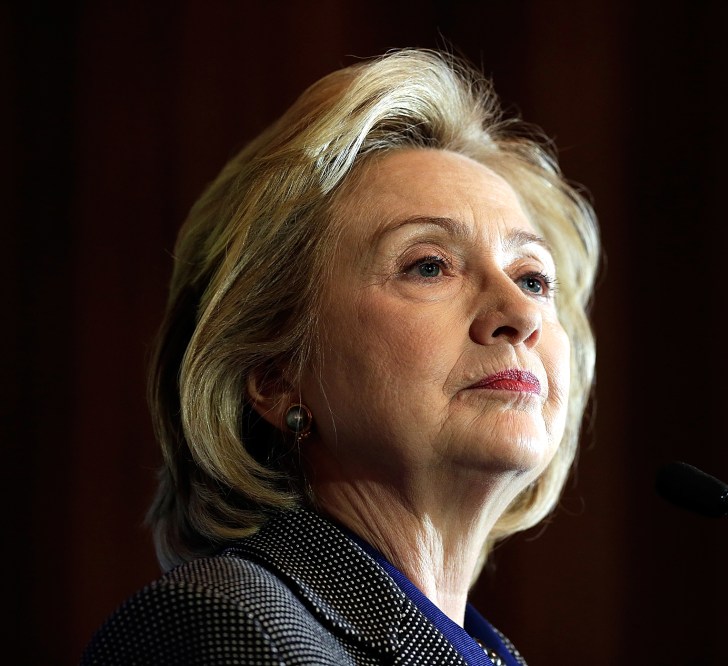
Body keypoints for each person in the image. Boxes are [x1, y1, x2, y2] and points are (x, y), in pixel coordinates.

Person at [81, 47, 600, 665]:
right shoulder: (223, 626)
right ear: (275, 375)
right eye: (428, 266)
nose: (518, 314)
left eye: (534, 278)